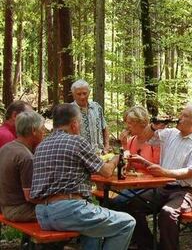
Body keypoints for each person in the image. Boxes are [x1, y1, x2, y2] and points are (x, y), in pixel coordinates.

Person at [31, 103, 136, 250]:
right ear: (74, 124)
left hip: (43, 213)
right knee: (127, 222)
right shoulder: (77, 141)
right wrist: (117, 158)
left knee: (93, 232)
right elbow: (106, 172)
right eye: (79, 123)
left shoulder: (41, 146)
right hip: (68, 211)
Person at [124, 103, 192, 250]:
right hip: (163, 188)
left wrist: (164, 172)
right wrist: (154, 126)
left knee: (167, 213)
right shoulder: (170, 133)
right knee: (131, 204)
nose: (180, 118)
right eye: (181, 114)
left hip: (186, 191)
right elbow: (144, 137)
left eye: (185, 116)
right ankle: (148, 246)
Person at [0, 111, 46, 221]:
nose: (44, 132)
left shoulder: (6, 148)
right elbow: (30, 196)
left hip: (5, 206)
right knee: (66, 212)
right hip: (19, 210)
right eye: (42, 128)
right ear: (34, 131)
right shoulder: (26, 157)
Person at [71, 79, 110, 153]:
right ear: (73, 94)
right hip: (80, 155)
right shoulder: (69, 111)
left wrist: (107, 146)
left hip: (99, 152)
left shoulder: (97, 107)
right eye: (79, 94)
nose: (82, 97)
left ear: (89, 92)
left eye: (84, 93)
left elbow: (104, 127)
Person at [121, 106, 161, 174]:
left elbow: (160, 169)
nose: (127, 126)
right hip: (135, 182)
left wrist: (143, 161)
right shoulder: (131, 141)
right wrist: (124, 146)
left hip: (154, 182)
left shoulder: (156, 141)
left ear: (142, 123)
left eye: (130, 123)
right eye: (126, 123)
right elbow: (125, 169)